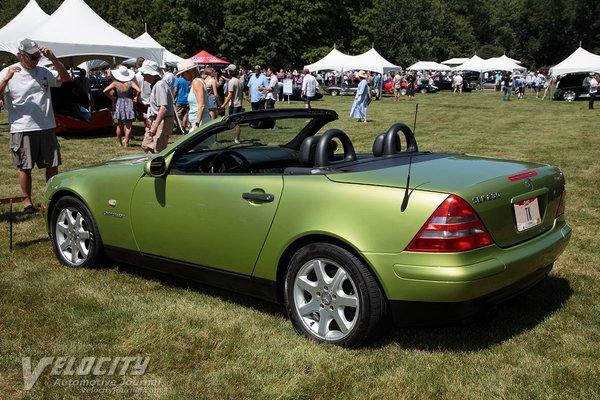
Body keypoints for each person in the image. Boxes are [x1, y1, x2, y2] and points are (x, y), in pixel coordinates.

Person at [0, 39, 71, 213]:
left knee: (52, 164)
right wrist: (7, 79)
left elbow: (66, 78)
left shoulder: (44, 71)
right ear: (21, 56)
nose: (35, 60)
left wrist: (53, 58)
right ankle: (28, 202)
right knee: (25, 166)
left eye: (37, 57)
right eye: (31, 57)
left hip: (46, 126)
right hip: (22, 127)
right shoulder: (8, 72)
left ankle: (50, 199)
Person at [140, 61, 175, 154]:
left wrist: (155, 125)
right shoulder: (156, 85)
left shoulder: (160, 85)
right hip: (157, 119)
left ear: (150, 73)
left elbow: (163, 107)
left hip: (163, 120)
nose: (142, 74)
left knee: (158, 150)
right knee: (146, 145)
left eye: (144, 72)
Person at [102, 65, 140, 146]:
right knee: (128, 125)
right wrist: (136, 97)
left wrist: (112, 98)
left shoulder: (115, 83)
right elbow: (139, 90)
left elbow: (104, 91)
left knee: (119, 125)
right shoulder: (131, 83)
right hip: (129, 102)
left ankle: (119, 143)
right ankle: (126, 142)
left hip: (119, 102)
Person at [176, 60, 210, 129]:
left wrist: (197, 124)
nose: (182, 76)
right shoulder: (198, 81)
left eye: (182, 74)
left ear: (189, 71)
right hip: (200, 121)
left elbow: (201, 105)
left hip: (200, 122)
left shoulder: (196, 82)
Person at [220, 64, 244, 143]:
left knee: (235, 123)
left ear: (230, 71)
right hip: (239, 104)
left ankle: (237, 139)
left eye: (228, 70)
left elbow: (230, 95)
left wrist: (223, 105)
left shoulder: (231, 81)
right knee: (236, 122)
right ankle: (237, 138)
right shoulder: (239, 81)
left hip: (234, 105)